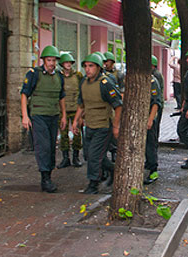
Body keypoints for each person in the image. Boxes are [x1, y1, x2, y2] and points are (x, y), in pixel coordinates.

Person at [74, 53, 123, 194]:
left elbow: (118, 105)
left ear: (98, 67)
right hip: (89, 124)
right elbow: (81, 104)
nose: (87, 69)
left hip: (103, 125)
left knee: (95, 155)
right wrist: (76, 121)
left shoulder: (105, 83)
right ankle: (112, 170)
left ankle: (93, 183)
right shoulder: (84, 82)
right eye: (85, 66)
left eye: (91, 66)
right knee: (89, 155)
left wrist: (115, 126)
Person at [20, 45, 67, 193]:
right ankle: (45, 178)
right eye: (49, 60)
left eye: (54, 60)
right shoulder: (34, 74)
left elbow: (62, 97)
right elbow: (24, 94)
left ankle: (49, 175)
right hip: (38, 115)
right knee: (43, 146)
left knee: (52, 146)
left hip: (53, 115)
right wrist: (25, 116)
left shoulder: (59, 76)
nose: (51, 63)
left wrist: (64, 115)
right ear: (44, 60)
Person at [57, 52, 84, 169]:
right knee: (63, 134)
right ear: (62, 64)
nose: (68, 64)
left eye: (70, 62)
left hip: (75, 109)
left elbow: (83, 92)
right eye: (66, 62)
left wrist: (82, 114)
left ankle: (76, 157)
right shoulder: (58, 76)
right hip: (62, 110)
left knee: (77, 133)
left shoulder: (78, 76)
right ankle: (65, 158)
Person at [144, 72, 163, 184]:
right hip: (139, 118)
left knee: (150, 144)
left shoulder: (152, 82)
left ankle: (153, 171)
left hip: (149, 117)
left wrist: (150, 119)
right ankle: (148, 164)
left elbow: (156, 102)